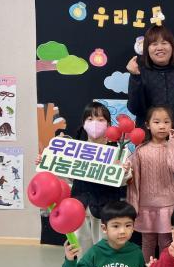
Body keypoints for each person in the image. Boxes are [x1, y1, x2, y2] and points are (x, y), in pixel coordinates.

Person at [47, 102, 131, 254]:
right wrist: (49, 160)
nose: (95, 124)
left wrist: (124, 171)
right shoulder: (75, 148)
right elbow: (66, 177)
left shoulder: (118, 150)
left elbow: (125, 180)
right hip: (79, 205)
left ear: (108, 124)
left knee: (105, 247)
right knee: (81, 247)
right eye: (90, 119)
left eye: (100, 120)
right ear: (84, 124)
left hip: (106, 206)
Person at [126, 25, 174, 204]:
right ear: (146, 49)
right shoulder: (140, 73)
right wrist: (135, 77)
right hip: (148, 141)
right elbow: (135, 108)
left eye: (164, 43)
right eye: (153, 44)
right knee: (149, 187)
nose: (159, 47)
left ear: (172, 47)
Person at [127, 105, 174, 267]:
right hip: (145, 204)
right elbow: (131, 178)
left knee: (166, 242)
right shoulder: (140, 150)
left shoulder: (172, 147)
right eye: (157, 122)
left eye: (166, 122)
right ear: (147, 125)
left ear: (172, 125)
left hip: (167, 203)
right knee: (147, 242)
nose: (162, 126)